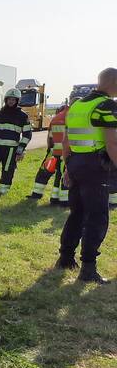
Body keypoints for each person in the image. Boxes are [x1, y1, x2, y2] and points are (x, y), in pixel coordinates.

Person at [57, 67, 117, 283]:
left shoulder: (77, 105)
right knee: (97, 217)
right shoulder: (107, 106)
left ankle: (65, 258)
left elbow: (66, 142)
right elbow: (112, 143)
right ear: (112, 83)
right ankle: (88, 268)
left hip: (76, 163)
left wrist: (67, 168)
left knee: (77, 213)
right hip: (95, 167)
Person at [28, 104, 69, 205]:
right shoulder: (72, 118)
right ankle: (61, 200)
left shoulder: (55, 119)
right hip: (66, 153)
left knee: (43, 173)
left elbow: (49, 138)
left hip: (53, 152)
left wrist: (49, 150)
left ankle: (36, 194)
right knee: (62, 176)